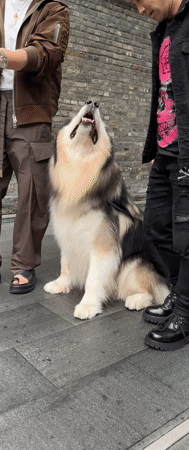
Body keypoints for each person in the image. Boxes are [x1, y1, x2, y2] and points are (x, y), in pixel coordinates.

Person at [0, 0, 70, 296]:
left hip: (31, 110)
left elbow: (45, 55)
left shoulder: (52, 8)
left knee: (33, 190)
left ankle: (24, 264)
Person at [129, 0, 189, 350]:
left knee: (186, 235)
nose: (138, 9)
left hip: (186, 149)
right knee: (154, 225)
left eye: (139, 0)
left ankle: (185, 310)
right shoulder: (165, 29)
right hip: (166, 149)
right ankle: (180, 291)